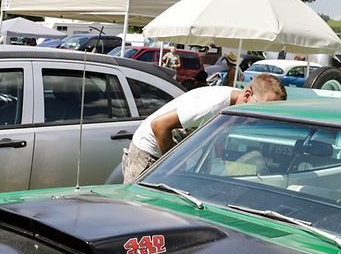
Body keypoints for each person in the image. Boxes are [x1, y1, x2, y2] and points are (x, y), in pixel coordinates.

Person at [121, 73, 287, 182]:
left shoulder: (234, 107)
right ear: (248, 95)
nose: (261, 116)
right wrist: (174, 166)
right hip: (148, 154)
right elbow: (159, 125)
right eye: (260, 108)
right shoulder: (212, 105)